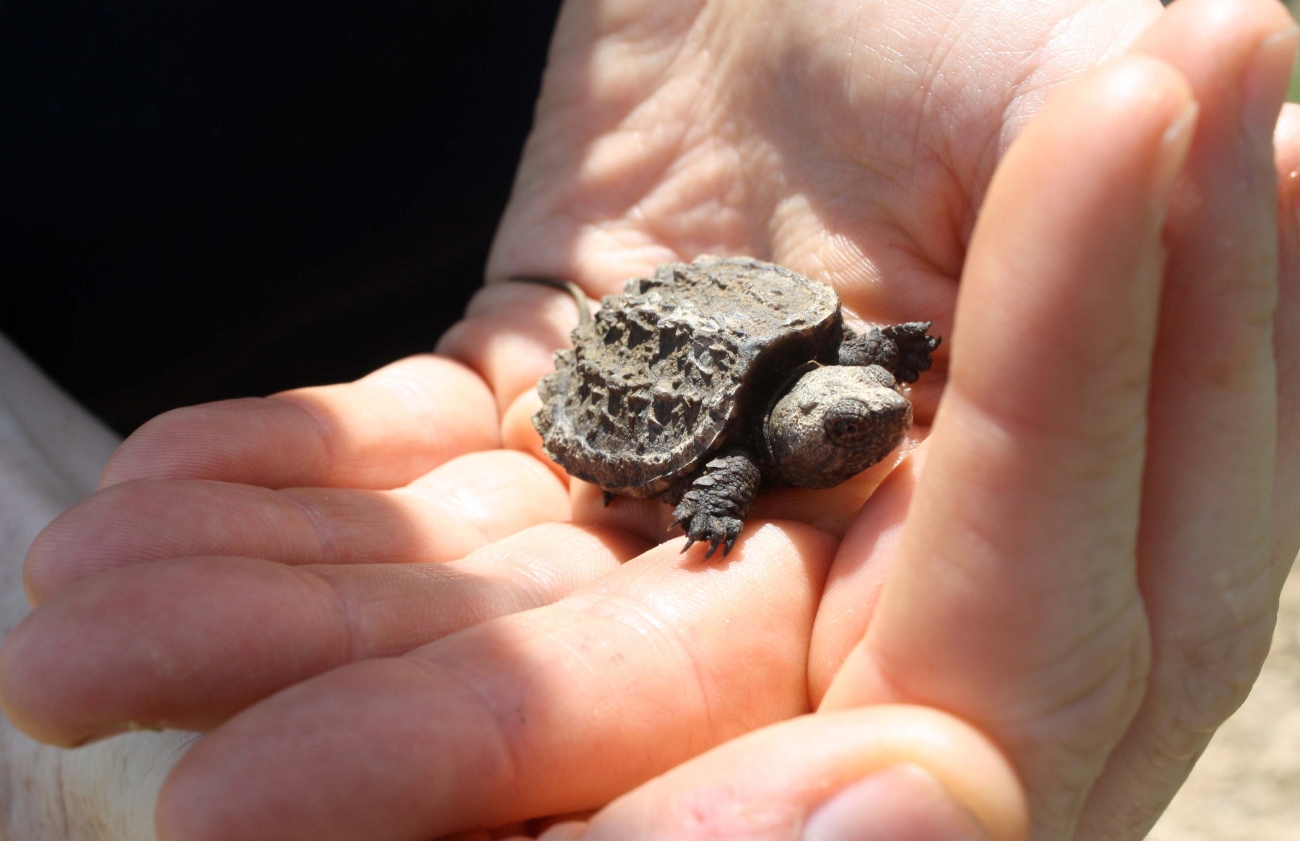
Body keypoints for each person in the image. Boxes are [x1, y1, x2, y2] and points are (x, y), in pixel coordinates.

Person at [0, 0, 1296, 838]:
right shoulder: (726, 460)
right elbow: (717, 471)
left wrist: (894, 349)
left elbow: (865, 358)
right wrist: (713, 510)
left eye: (871, 417)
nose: (877, 425)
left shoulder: (837, 350)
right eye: (851, 431)